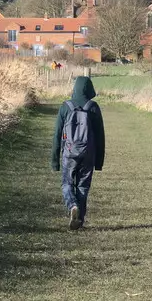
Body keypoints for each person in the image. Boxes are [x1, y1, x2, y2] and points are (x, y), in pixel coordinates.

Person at [51, 75, 105, 230]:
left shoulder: (65, 107)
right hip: (88, 153)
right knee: (83, 186)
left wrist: (55, 160)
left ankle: (72, 205)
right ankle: (79, 220)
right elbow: (100, 136)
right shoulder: (93, 107)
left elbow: (57, 134)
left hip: (69, 153)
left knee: (67, 183)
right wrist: (99, 162)